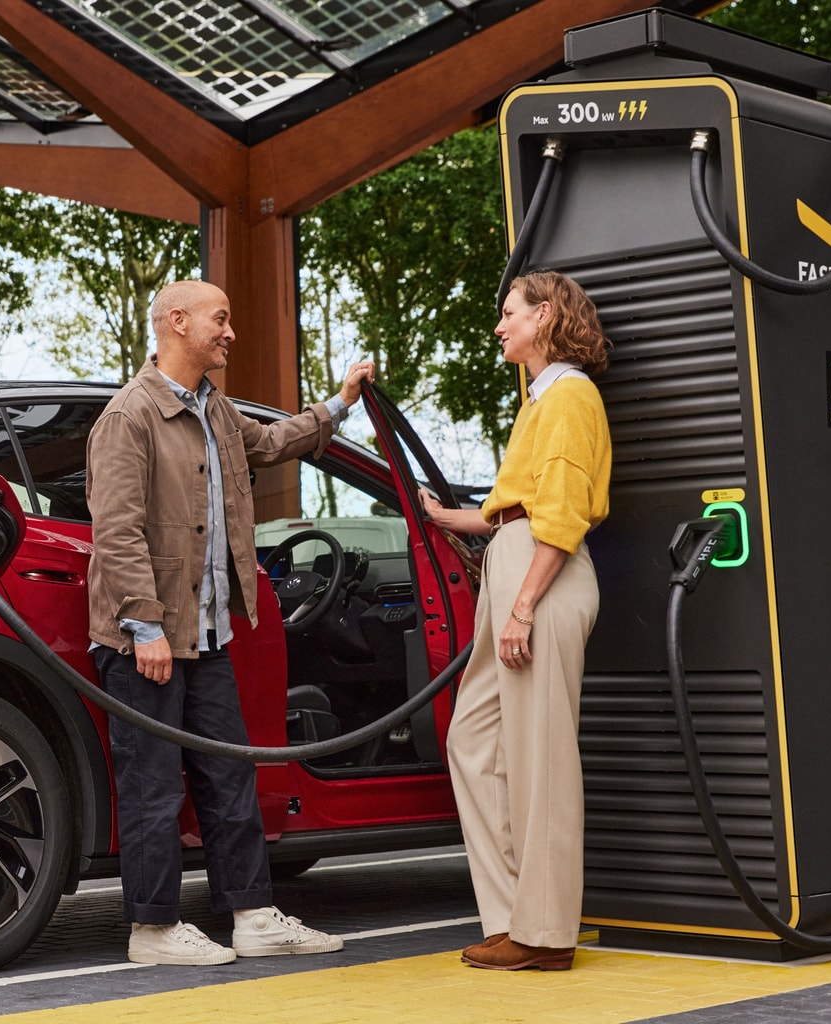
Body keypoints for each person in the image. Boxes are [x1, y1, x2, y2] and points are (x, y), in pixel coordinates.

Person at [85, 278, 374, 966]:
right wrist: (144, 626)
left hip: (206, 635)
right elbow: (117, 531)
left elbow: (272, 443)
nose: (231, 332)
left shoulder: (214, 412)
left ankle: (252, 915)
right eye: (221, 318)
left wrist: (339, 404)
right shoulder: (130, 417)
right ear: (177, 323)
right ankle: (153, 932)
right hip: (146, 641)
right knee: (154, 784)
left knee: (229, 778)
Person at [419, 270, 612, 972]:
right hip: (518, 556)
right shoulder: (541, 399)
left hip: (543, 574)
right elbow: (518, 503)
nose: (499, 326)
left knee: (541, 759)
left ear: (545, 317)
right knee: (475, 741)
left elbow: (557, 515)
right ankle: (514, 918)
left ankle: (546, 933)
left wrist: (522, 607)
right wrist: (443, 517)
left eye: (509, 314)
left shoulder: (568, 397)